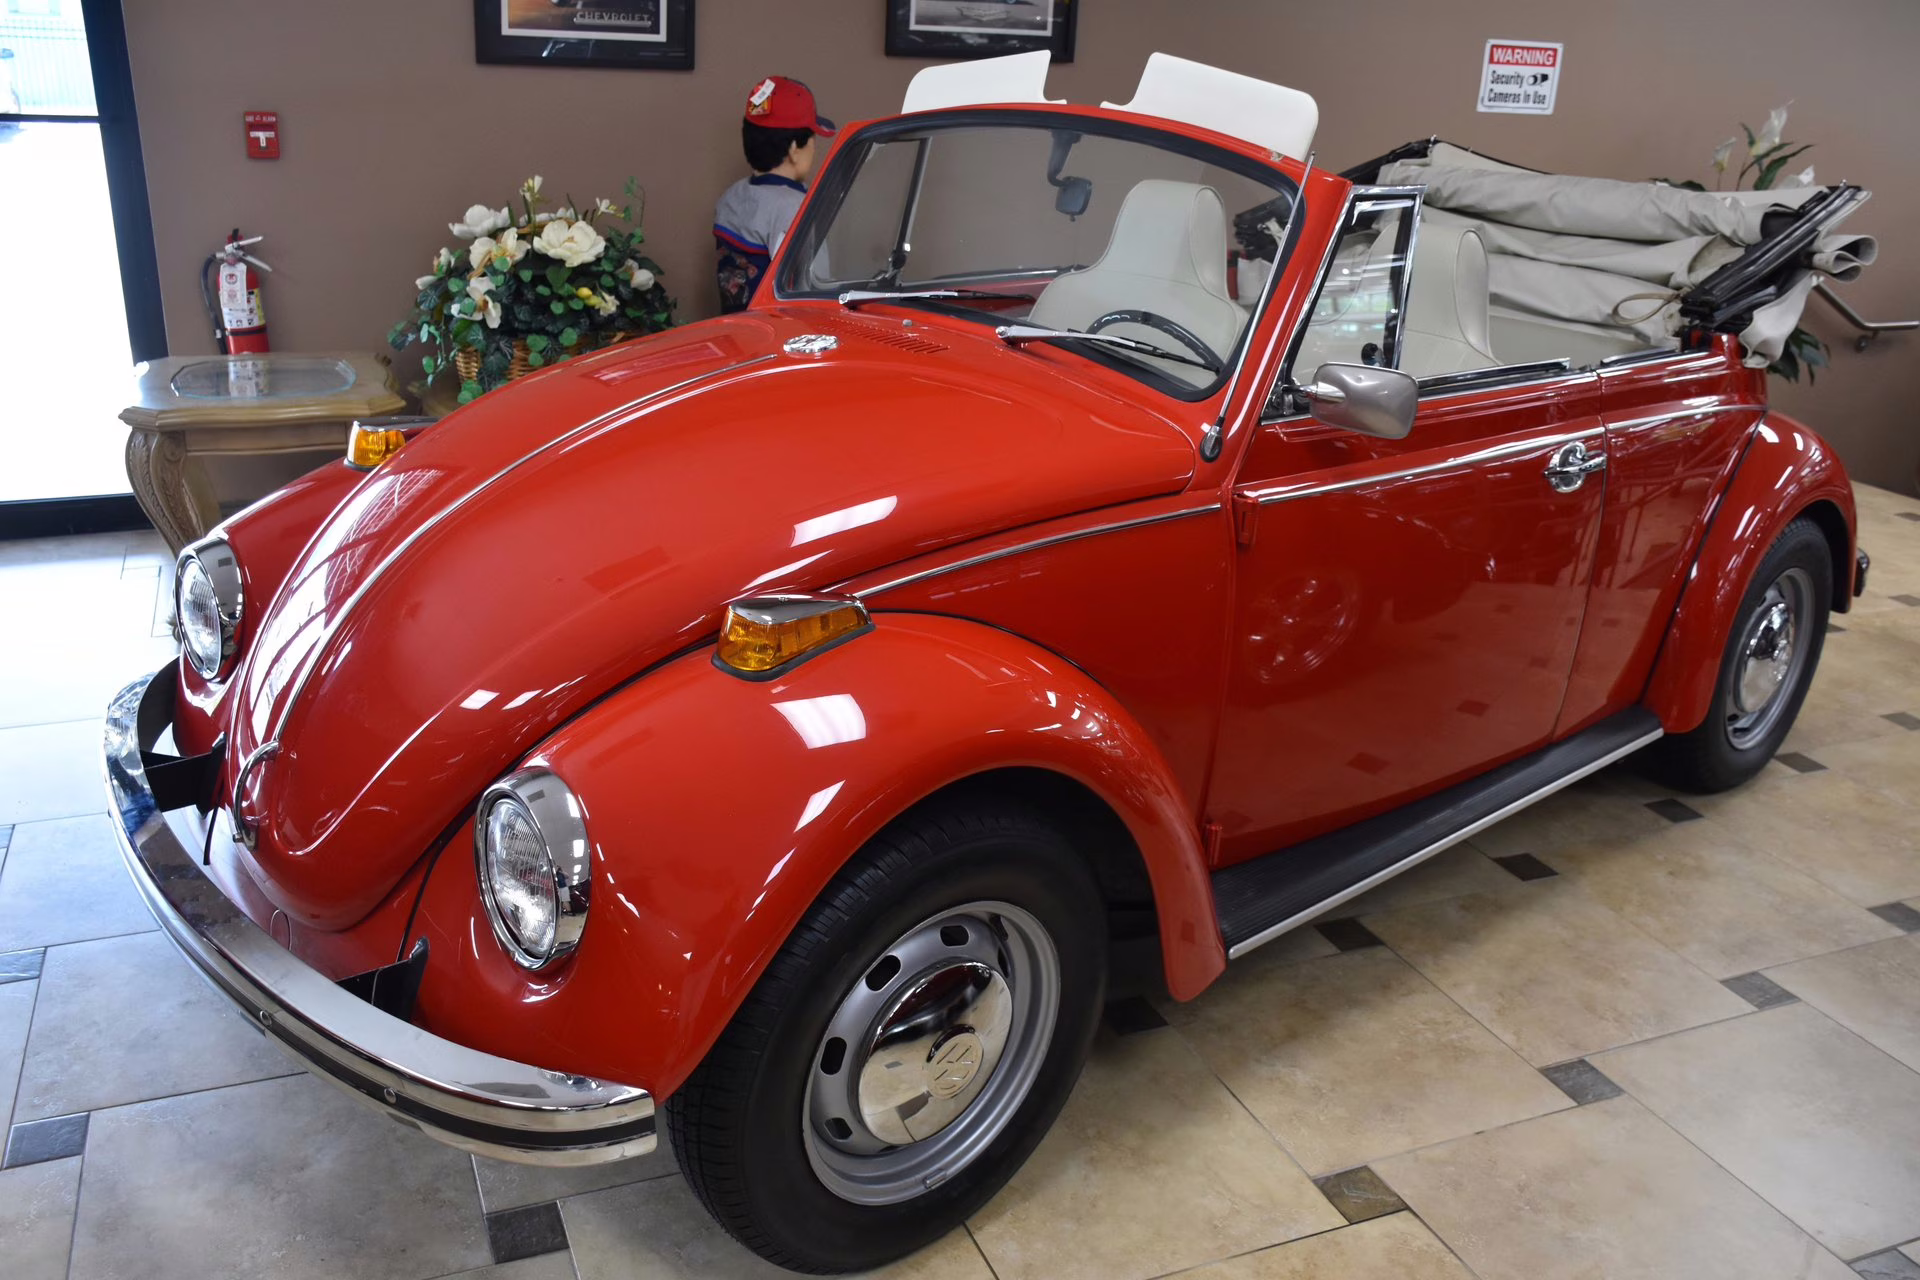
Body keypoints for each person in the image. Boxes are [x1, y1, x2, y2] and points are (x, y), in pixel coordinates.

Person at [714, 76, 837, 314]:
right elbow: (812, 292)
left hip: (736, 331)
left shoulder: (731, 196)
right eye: (812, 140)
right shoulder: (794, 208)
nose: (814, 149)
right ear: (794, 149)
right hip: (779, 336)